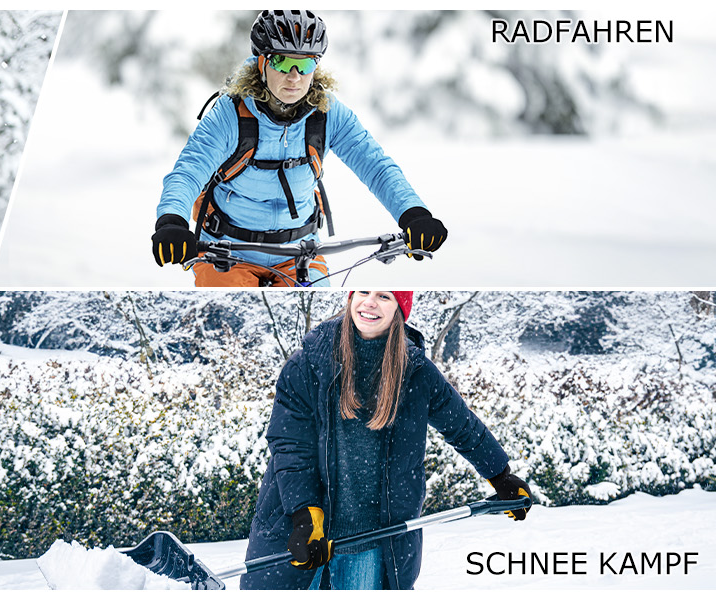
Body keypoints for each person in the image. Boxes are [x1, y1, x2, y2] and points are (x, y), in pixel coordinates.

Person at [240, 292, 530, 590]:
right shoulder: (310, 362)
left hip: (369, 542)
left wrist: (500, 476)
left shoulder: (416, 372)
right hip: (304, 533)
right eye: (363, 291)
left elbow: (461, 425)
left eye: (384, 296)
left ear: (400, 309)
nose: (369, 302)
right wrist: (305, 513)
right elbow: (290, 444)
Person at [152, 11, 447, 286]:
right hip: (225, 252)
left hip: (300, 252)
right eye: (282, 62)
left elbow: (375, 165)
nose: (294, 76)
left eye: (305, 64)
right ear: (262, 63)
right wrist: (171, 221)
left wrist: (414, 214)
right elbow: (188, 172)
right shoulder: (231, 112)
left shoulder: (328, 113)